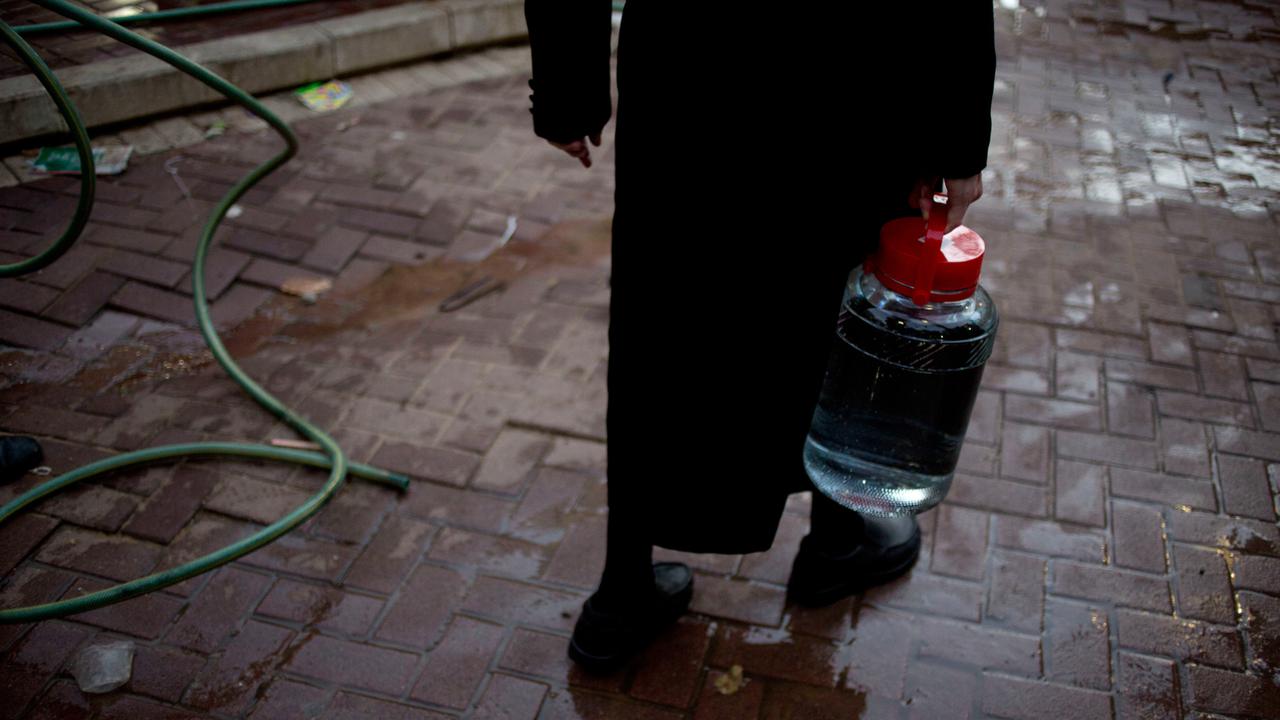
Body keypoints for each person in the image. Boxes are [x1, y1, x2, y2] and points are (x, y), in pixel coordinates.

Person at [523, 1, 996, 673]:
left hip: (694, 65)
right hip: (856, 72)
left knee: (663, 318)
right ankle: (835, 544)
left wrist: (568, 94)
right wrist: (955, 137)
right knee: (834, 307)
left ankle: (623, 590)